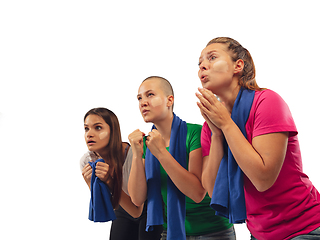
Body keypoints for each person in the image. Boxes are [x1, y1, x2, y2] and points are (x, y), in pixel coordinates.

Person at [196, 37, 320, 240]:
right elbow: (211, 189)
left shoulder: (267, 102)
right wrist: (218, 134)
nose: (203, 65)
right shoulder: (211, 126)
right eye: (199, 62)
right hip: (261, 233)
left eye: (212, 57)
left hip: (306, 229)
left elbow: (263, 179)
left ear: (238, 66)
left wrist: (227, 124)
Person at [128, 76, 235, 240]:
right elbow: (137, 198)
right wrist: (136, 154)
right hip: (170, 231)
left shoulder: (194, 133)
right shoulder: (146, 144)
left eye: (150, 95)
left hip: (213, 231)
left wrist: (162, 153)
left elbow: (197, 193)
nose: (143, 102)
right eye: (139, 98)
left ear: (169, 100)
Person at [80, 107, 162, 240]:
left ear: (113, 132)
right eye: (86, 128)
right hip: (122, 206)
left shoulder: (132, 155)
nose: (89, 134)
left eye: (98, 128)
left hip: (148, 206)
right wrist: (91, 183)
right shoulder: (87, 161)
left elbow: (136, 211)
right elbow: (107, 206)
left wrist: (110, 182)